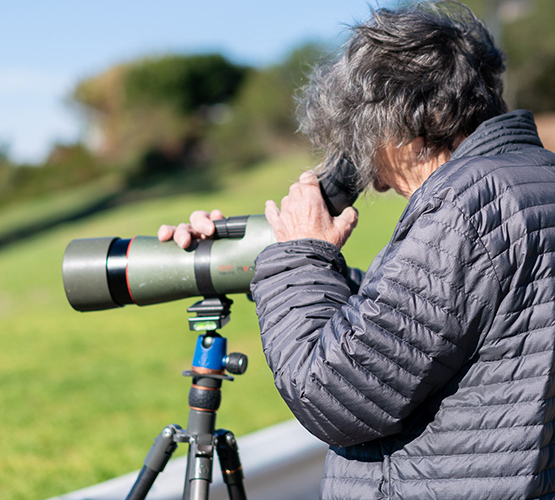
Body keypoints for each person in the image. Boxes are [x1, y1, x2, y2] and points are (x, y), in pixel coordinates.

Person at [158, 2, 555, 499]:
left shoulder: (465, 205)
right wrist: (307, 266)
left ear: (403, 126)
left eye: (366, 142)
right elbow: (442, 326)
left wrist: (299, 257)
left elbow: (333, 393)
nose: (375, 178)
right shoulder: (533, 182)